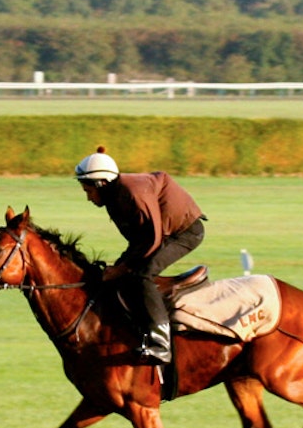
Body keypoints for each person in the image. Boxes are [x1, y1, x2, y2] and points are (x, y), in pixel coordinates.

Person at [75, 146, 207, 365]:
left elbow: (151, 240)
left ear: (102, 184)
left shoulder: (131, 193)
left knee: (142, 275)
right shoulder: (114, 198)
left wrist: (121, 268)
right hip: (160, 234)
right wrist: (118, 267)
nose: (88, 198)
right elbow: (138, 240)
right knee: (123, 274)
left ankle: (161, 345)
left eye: (89, 191)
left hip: (185, 233)